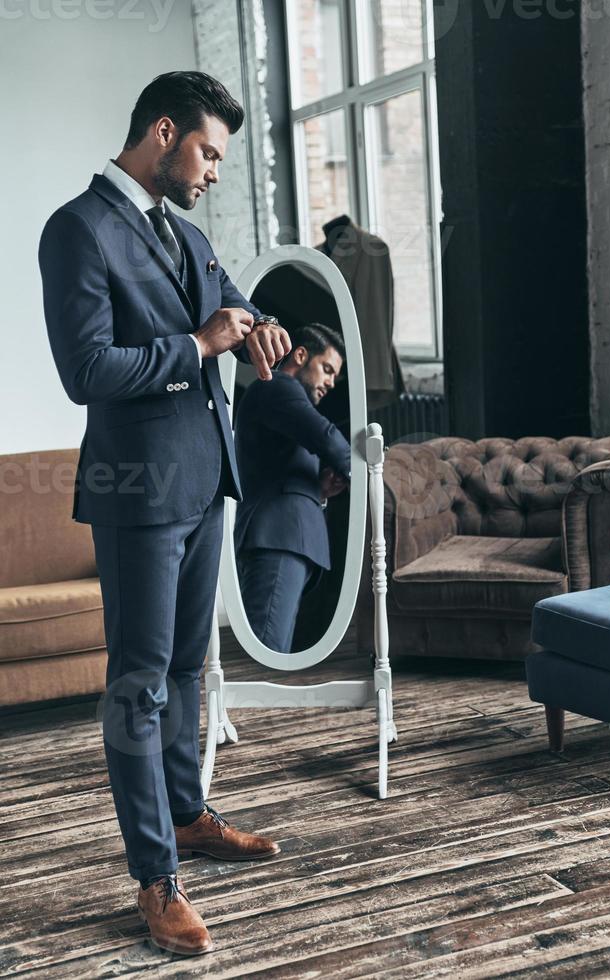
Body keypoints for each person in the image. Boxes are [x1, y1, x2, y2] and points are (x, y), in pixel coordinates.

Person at [38, 71, 292, 957]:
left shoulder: (181, 232)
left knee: (187, 671)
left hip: (202, 483)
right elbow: (88, 371)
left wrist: (256, 326)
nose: (214, 170)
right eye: (209, 152)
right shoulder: (76, 230)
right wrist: (200, 343)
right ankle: (156, 878)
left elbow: (231, 305)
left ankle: (187, 816)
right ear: (161, 132)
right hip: (137, 492)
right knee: (138, 688)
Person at [234, 323, 351, 653]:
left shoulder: (282, 404)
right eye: (327, 369)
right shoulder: (277, 387)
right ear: (301, 354)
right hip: (278, 538)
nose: (330, 382)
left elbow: (280, 470)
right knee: (269, 650)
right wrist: (372, 472)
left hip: (285, 537)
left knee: (276, 647)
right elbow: (325, 436)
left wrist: (321, 491)